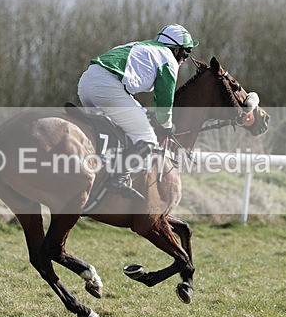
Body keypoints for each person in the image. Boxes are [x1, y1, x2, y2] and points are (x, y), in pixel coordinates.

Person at [77, 24, 199, 199]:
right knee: (147, 138)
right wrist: (166, 125)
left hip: (86, 83)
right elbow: (164, 100)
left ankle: (100, 168)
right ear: (176, 49)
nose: (186, 58)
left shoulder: (145, 47)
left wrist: (144, 112)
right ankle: (119, 178)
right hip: (107, 86)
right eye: (186, 52)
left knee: (115, 129)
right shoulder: (168, 59)